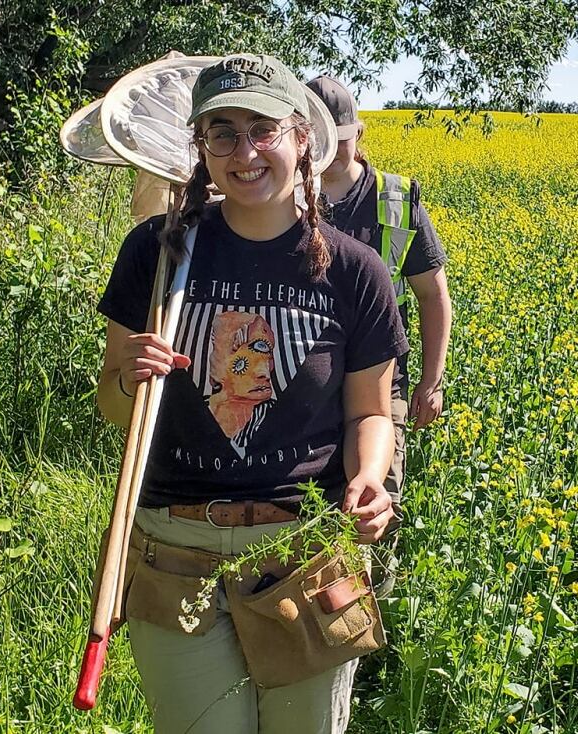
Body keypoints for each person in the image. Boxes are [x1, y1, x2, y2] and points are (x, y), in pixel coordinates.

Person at [95, 54, 409, 734]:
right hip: (175, 551)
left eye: (263, 129)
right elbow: (115, 409)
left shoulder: (357, 271)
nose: (246, 151)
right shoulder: (157, 252)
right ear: (201, 148)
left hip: (309, 553)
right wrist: (129, 377)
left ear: (303, 139)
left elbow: (371, 411)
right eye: (223, 133)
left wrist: (372, 478)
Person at [307, 76, 452, 588]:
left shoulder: (394, 198)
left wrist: (429, 383)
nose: (328, 150)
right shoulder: (282, 193)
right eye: (316, 136)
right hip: (305, 376)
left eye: (338, 136)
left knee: (374, 502)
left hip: (379, 378)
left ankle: (369, 615)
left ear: (358, 132)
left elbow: (433, 296)